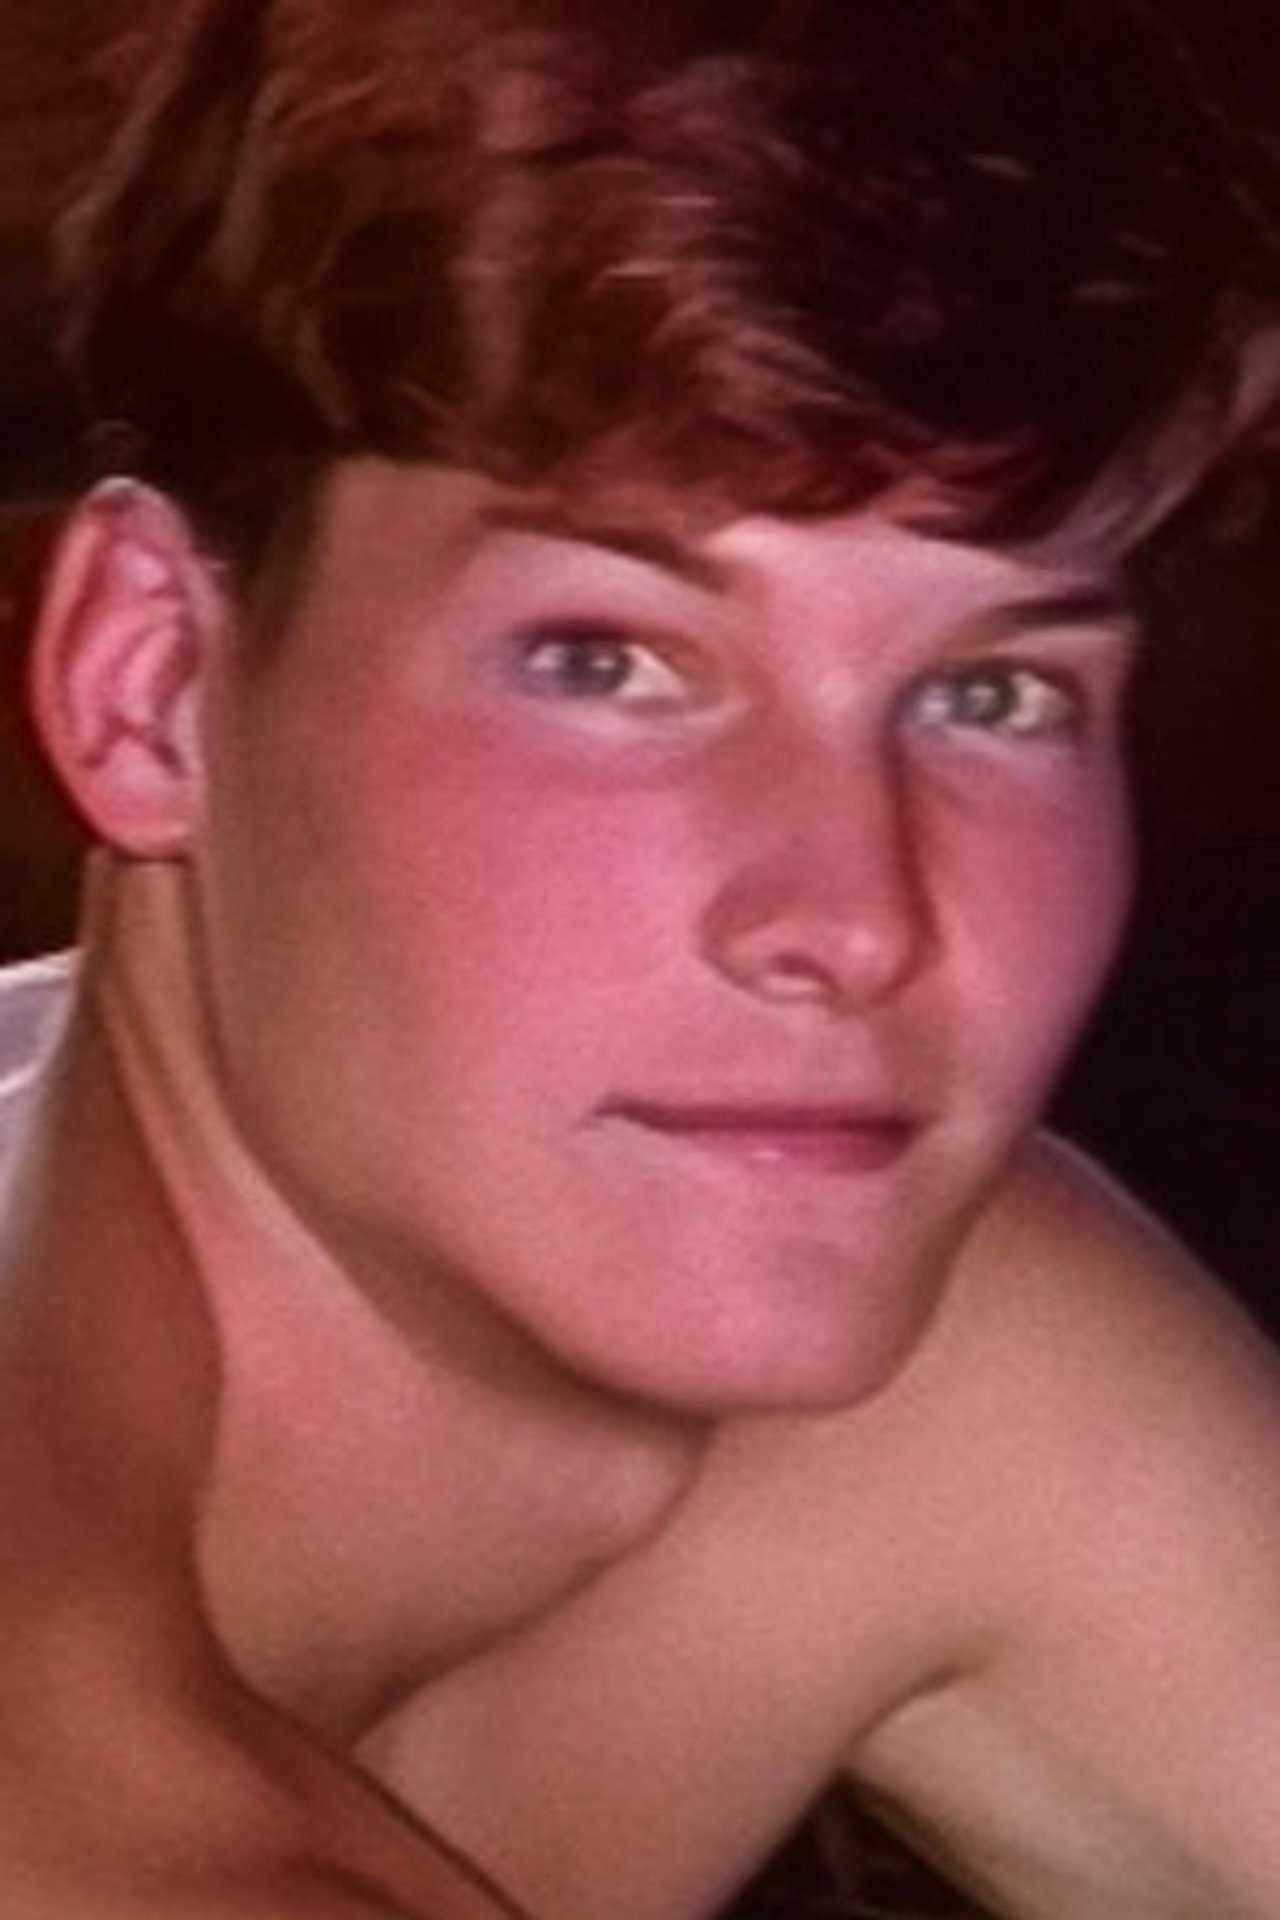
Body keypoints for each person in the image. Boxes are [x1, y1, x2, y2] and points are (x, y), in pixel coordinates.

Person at [2, 1, 1279, 1913]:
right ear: (150, 681)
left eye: (989, 692)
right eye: (606, 663)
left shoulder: (916, 1373)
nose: (855, 919)